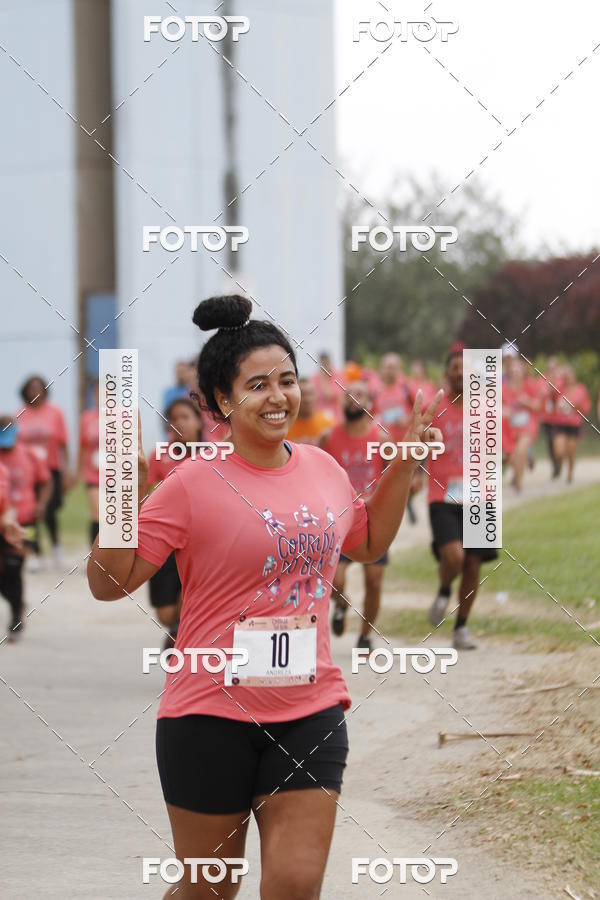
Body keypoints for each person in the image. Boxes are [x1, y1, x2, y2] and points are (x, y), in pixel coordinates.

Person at [87, 294, 443, 900]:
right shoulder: (191, 484)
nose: (278, 396)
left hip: (309, 709)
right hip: (207, 715)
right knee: (208, 893)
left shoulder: (323, 467)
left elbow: (365, 540)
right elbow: (108, 584)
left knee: (295, 885)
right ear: (223, 401)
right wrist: (120, 494)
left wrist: (403, 465)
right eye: (258, 385)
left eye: (287, 380)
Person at [426, 345, 498, 651]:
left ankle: (461, 628)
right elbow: (419, 440)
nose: (460, 373)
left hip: (479, 495)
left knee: (473, 564)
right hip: (441, 494)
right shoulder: (436, 406)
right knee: (454, 556)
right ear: (447, 373)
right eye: (455, 367)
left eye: (465, 368)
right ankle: (444, 589)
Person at [321, 382, 387, 653]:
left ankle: (365, 635)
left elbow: (392, 476)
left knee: (374, 580)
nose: (352, 400)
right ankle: (340, 602)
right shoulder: (328, 437)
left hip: (371, 518)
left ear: (370, 402)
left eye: (359, 395)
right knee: (334, 581)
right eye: (347, 395)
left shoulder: (381, 439)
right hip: (339, 519)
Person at [146, 398, 204, 648]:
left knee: (193, 592)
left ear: (199, 421)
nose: (179, 423)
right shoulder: (159, 455)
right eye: (174, 419)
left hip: (202, 540)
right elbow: (145, 494)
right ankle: (176, 625)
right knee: (165, 612)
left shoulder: (215, 455)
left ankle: (182, 631)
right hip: (165, 538)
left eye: (185, 417)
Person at [0, 418, 51, 640]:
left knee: (14, 567)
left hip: (26, 521)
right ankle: (17, 602)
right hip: (2, 521)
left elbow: (47, 481)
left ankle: (15, 618)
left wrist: (41, 505)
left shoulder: (29, 454)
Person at [17, 376, 71, 569]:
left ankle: (56, 545)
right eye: (30, 388)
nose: (34, 392)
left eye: (38, 388)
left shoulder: (55, 413)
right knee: (29, 513)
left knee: (49, 510)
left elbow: (64, 444)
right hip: (27, 472)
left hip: (51, 469)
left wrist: (66, 471)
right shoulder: (20, 414)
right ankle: (35, 551)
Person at [502, 358, 541, 492]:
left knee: (521, 450)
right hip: (509, 427)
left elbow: (538, 406)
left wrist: (527, 402)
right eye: (513, 369)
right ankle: (521, 468)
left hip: (527, 424)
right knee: (509, 456)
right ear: (510, 372)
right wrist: (504, 410)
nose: (516, 372)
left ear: (523, 371)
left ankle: (519, 483)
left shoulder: (530, 385)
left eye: (519, 369)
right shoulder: (503, 388)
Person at [551, 364, 591, 483]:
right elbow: (550, 390)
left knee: (571, 452)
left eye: (570, 374)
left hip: (574, 424)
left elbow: (586, 407)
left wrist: (576, 406)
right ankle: (559, 463)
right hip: (560, 423)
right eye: (566, 375)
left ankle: (570, 473)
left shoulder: (581, 389)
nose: (569, 377)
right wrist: (557, 373)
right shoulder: (560, 388)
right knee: (559, 451)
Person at [78, 381, 100, 546]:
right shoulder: (87, 417)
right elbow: (83, 446)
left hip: (116, 473)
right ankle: (94, 550)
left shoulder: (123, 416)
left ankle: (112, 553)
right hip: (94, 473)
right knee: (97, 514)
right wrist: (79, 471)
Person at [286, 377, 336, 445]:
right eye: (303, 394)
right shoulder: (286, 426)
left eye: (310, 394)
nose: (307, 399)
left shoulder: (329, 423)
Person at [311, 350, 342, 421]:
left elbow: (328, 395)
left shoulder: (338, 376)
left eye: (327, 362)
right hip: (319, 417)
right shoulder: (314, 378)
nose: (325, 365)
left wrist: (323, 378)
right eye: (323, 362)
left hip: (336, 417)